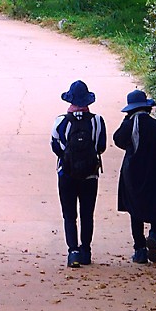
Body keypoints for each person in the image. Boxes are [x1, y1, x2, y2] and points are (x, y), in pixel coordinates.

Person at [112, 88, 156, 264]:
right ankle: (154, 234)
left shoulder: (129, 126)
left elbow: (118, 140)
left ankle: (140, 250)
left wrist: (127, 120)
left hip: (133, 176)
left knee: (135, 211)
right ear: (148, 108)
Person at [51, 78, 107, 268]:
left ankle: (73, 252)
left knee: (69, 215)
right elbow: (101, 146)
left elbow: (55, 146)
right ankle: (86, 251)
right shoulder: (98, 121)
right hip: (90, 175)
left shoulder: (60, 121)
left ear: (70, 100)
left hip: (66, 174)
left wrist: (69, 159)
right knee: (87, 214)